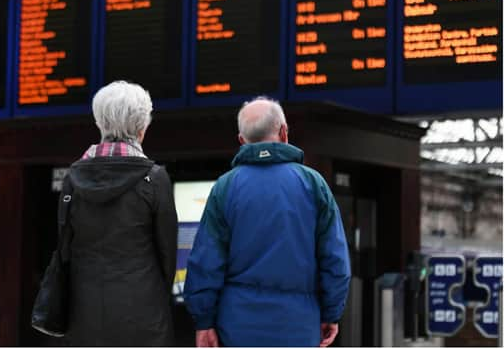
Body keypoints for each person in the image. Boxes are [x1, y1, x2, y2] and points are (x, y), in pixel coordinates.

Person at [184, 97, 351, 347]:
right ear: (284, 133)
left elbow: (205, 261)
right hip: (299, 326)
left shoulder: (226, 187)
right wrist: (331, 313)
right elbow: (335, 260)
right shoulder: (313, 184)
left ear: (242, 141)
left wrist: (204, 321)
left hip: (237, 327)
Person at [64, 81, 178, 346]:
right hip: (143, 315)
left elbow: (65, 247)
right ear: (142, 128)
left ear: (99, 122)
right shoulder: (155, 178)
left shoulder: (73, 178)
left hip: (83, 312)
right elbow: (167, 256)